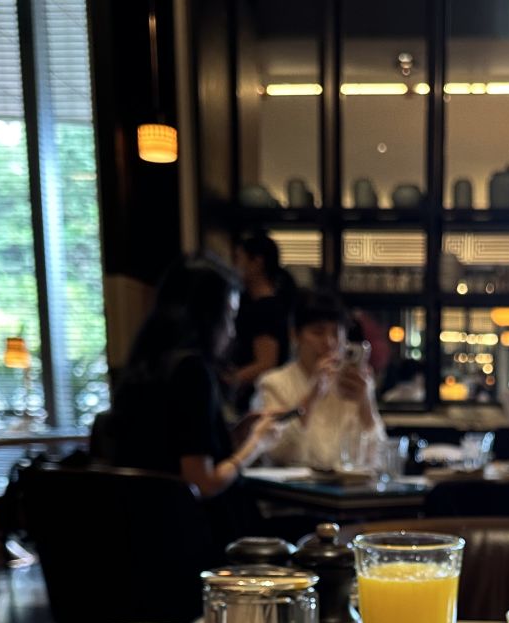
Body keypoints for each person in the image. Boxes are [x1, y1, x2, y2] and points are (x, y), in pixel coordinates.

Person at [110, 254, 279, 545]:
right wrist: (254, 446)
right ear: (206, 316)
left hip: (144, 535)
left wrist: (231, 438)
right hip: (195, 541)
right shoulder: (192, 371)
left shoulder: (142, 367)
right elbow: (201, 482)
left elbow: (166, 451)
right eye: (228, 315)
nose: (232, 330)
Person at [256, 290, 385, 472]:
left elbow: (378, 459)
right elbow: (280, 454)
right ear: (295, 335)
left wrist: (366, 405)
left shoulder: (355, 384)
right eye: (318, 332)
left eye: (336, 333)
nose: (329, 342)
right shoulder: (273, 384)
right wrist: (312, 396)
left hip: (347, 494)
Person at [226, 232, 294, 412]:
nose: (235, 266)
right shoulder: (256, 303)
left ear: (257, 262)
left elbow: (266, 362)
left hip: (258, 401)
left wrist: (231, 379)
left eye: (239, 259)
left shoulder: (266, 308)